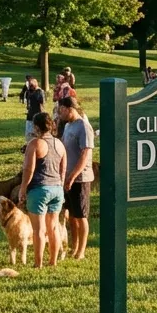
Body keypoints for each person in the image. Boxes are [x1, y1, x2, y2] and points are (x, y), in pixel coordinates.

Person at [19, 112, 66, 268]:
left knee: (38, 229)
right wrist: (60, 185)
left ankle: (38, 264)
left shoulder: (35, 144)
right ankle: (53, 261)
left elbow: (28, 170)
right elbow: (63, 169)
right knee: (53, 226)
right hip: (57, 188)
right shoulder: (60, 144)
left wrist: (23, 189)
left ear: (36, 127)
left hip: (39, 189)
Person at [58, 95, 95, 260]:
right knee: (71, 215)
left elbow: (85, 154)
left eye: (61, 110)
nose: (59, 113)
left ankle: (81, 250)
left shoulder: (84, 127)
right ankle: (74, 247)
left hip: (81, 178)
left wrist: (73, 176)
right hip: (67, 178)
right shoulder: (67, 126)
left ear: (69, 108)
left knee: (81, 216)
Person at [19, 75, 46, 140]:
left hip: (36, 115)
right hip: (30, 115)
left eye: (31, 84)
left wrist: (42, 116)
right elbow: (28, 101)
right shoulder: (29, 91)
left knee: (36, 134)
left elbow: (42, 104)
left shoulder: (39, 92)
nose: (29, 85)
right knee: (28, 133)